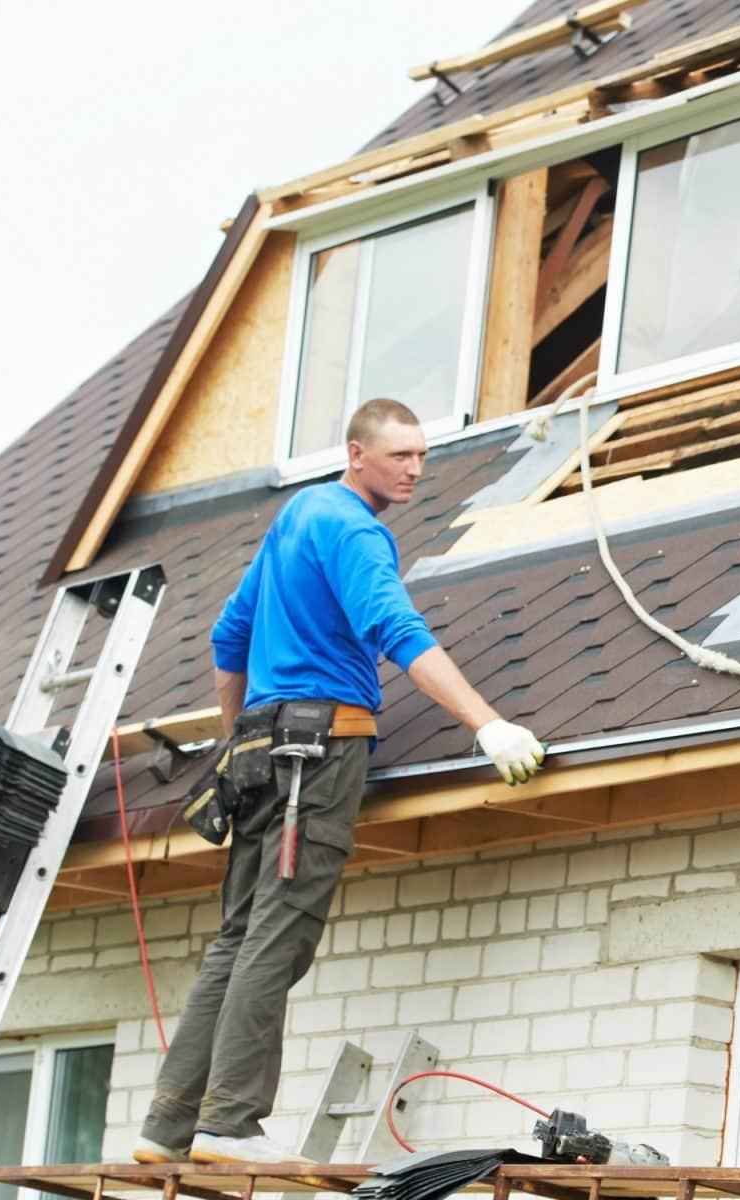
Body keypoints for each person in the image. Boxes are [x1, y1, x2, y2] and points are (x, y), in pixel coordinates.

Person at [134, 399, 548, 1166]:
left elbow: (230, 637)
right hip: (317, 756)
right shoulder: (357, 529)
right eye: (400, 456)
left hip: (266, 748)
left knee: (237, 937)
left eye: (422, 456)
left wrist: (238, 743)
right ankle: (229, 1123)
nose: (415, 470)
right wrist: (486, 723)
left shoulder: (297, 517)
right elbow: (396, 630)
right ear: (356, 453)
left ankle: (167, 1128)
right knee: (278, 934)